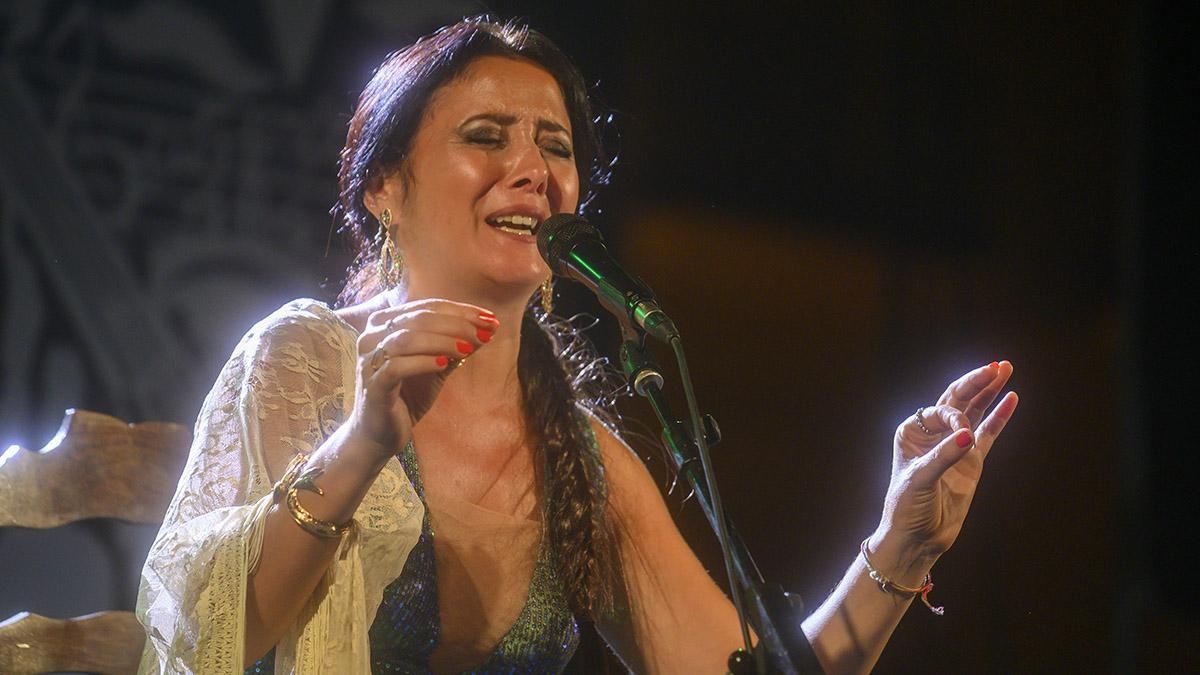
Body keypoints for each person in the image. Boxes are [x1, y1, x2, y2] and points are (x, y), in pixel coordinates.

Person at [136, 16, 1019, 675]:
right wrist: (364, 443)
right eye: (485, 138)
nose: (533, 169)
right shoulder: (304, 360)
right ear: (383, 189)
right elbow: (212, 632)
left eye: (554, 148)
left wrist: (901, 545)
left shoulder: (579, 459)